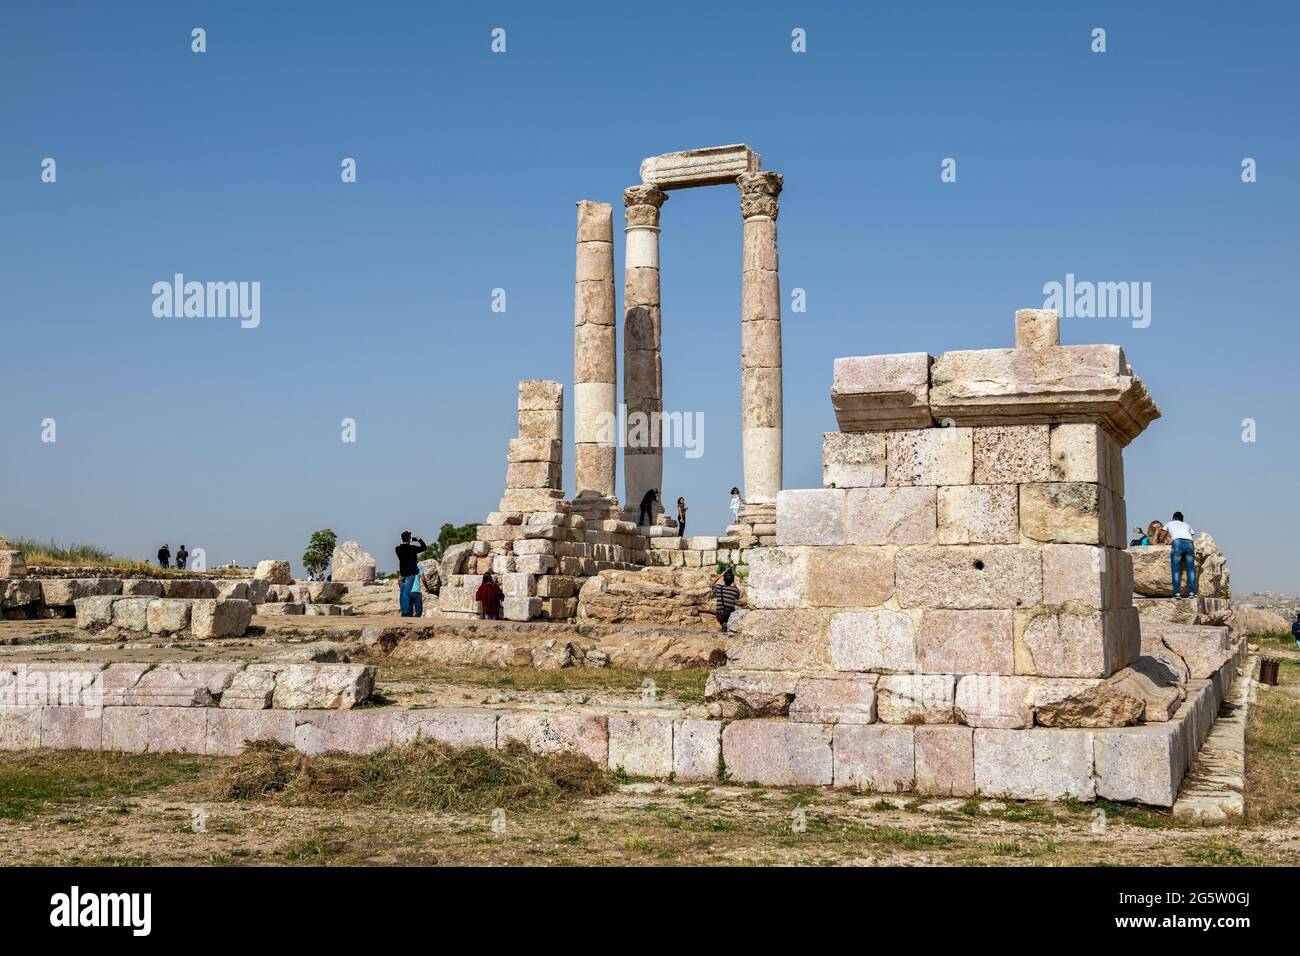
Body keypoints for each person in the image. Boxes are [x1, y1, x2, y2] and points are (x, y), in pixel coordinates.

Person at [394, 531, 430, 617]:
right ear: (409, 539)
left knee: (403, 592)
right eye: (410, 538)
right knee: (406, 592)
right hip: (411, 573)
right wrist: (418, 539)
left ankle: (404, 611)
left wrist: (410, 540)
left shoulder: (397, 549)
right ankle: (406, 612)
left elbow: (404, 547)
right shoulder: (412, 548)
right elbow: (424, 547)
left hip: (403, 573)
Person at [1166, 511, 1197, 598]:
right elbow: (1191, 534)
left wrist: (1167, 541)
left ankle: (1177, 593)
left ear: (1173, 518)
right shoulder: (1186, 525)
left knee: (1176, 568)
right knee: (1190, 569)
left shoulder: (1169, 523)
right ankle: (1191, 593)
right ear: (1182, 520)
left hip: (1177, 542)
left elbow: (1163, 533)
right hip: (1189, 543)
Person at [710, 568, 741, 632]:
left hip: (719, 615)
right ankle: (726, 623)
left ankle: (723, 624)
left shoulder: (718, 587)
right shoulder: (735, 590)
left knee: (719, 610)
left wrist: (721, 575)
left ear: (724, 579)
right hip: (729, 614)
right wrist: (733, 582)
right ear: (732, 580)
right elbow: (738, 596)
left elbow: (711, 584)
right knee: (734, 609)